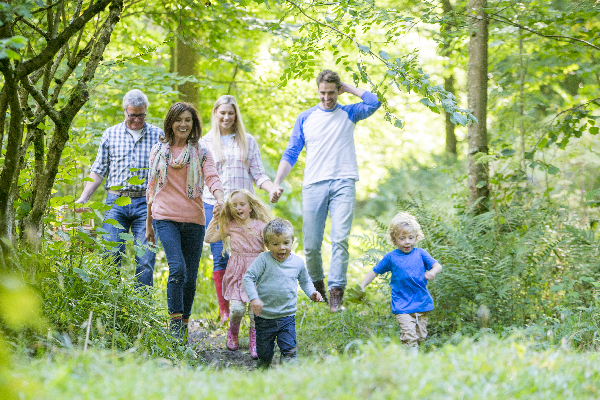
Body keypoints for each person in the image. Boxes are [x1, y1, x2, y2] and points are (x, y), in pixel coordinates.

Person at [269, 69, 381, 312]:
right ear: (317, 91)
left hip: (343, 182)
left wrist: (349, 88)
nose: (327, 98)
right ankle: (318, 289)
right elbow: (291, 152)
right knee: (311, 244)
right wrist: (277, 181)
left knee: (340, 239)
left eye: (331, 93)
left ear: (337, 91)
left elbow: (374, 102)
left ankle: (336, 293)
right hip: (314, 184)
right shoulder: (306, 118)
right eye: (322, 93)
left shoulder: (349, 112)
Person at [145, 102, 224, 341]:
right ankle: (175, 324)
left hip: (194, 220)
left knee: (190, 276)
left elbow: (212, 177)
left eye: (188, 120)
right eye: (179, 119)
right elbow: (150, 189)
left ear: (194, 124)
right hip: (165, 217)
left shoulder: (201, 152)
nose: (183, 124)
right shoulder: (158, 152)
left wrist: (221, 198)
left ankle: (185, 323)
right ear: (170, 122)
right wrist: (149, 224)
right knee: (177, 268)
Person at [75, 89, 162, 287]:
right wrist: (84, 197)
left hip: (146, 204)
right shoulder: (110, 134)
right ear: (124, 111)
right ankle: (111, 303)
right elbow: (98, 171)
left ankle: (141, 307)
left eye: (141, 115)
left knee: (146, 258)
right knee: (110, 253)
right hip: (115, 202)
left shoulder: (158, 136)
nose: (138, 120)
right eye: (133, 115)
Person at [203, 95, 276, 324]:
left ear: (236, 115)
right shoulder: (205, 142)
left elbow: (258, 173)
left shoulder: (247, 140)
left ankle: (250, 302)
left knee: (250, 254)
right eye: (222, 112)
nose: (226, 117)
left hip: (244, 205)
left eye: (230, 113)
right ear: (215, 113)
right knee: (221, 256)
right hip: (215, 205)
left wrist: (271, 187)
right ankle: (226, 310)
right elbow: (201, 177)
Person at [243, 219, 323, 368]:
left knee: (289, 351)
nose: (282, 248)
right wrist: (254, 298)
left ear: (293, 241)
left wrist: (312, 293)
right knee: (265, 354)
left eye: (286, 243)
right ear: (267, 245)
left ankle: (288, 373)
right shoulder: (263, 260)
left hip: (287, 316)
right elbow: (248, 277)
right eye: (275, 244)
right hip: (264, 317)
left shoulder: (297, 263)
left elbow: (305, 281)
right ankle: (263, 369)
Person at [205, 189, 274, 358]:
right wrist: (216, 217)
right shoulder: (231, 226)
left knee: (254, 312)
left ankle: (255, 340)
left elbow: (272, 246)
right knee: (236, 310)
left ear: (250, 207)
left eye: (242, 204)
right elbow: (208, 238)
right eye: (234, 205)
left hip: (257, 272)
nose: (238, 208)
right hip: (237, 273)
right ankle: (233, 331)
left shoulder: (261, 226)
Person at [359, 212, 442, 349]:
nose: (407, 242)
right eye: (402, 238)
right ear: (394, 239)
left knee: (421, 336)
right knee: (410, 337)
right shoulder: (391, 258)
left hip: (421, 302)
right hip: (402, 304)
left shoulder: (421, 254)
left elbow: (438, 265)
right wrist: (362, 285)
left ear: (416, 237)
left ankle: (411, 355)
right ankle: (411, 363)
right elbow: (374, 271)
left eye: (411, 237)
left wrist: (432, 272)